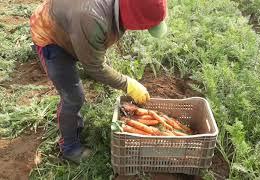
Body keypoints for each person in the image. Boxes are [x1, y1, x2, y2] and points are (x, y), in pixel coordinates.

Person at [30, 0, 167, 163]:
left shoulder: (115, 11)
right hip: (50, 35)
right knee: (73, 98)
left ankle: (76, 128)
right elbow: (94, 67)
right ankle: (69, 148)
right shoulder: (90, 17)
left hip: (73, 24)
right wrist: (127, 84)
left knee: (87, 52)